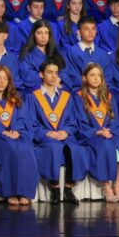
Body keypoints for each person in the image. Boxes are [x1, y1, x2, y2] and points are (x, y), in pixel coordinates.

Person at [25, 60, 90, 203]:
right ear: (41, 74)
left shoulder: (66, 96)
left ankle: (68, 189)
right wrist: (46, 133)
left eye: (56, 73)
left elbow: (72, 120)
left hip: (64, 135)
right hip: (45, 136)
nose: (53, 76)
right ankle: (54, 188)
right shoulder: (32, 97)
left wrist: (66, 132)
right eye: (49, 72)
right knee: (54, 147)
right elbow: (30, 122)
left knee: (74, 148)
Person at [0, 66, 38, 206]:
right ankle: (10, 192)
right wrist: (1, 131)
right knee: (9, 148)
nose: (2, 81)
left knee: (26, 148)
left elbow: (23, 118)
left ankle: (24, 192)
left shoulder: (15, 98)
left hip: (17, 134)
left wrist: (17, 131)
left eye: (5, 78)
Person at [76, 63, 119, 203]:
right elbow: (80, 121)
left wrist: (109, 130)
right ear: (84, 78)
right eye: (92, 75)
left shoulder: (108, 96)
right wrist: (97, 131)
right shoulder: (79, 97)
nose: (96, 78)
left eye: (99, 75)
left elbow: (116, 119)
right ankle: (106, 187)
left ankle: (117, 187)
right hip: (92, 135)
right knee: (106, 146)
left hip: (110, 133)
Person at [61, 16, 114, 93]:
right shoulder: (71, 52)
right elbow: (71, 76)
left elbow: (108, 77)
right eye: (86, 29)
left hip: (100, 93)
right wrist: (89, 88)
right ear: (79, 32)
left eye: (93, 29)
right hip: (79, 93)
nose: (91, 32)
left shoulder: (103, 54)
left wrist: (97, 90)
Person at [16, 20, 64, 95]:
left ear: (50, 35)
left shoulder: (57, 53)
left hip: (57, 88)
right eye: (39, 33)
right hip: (36, 92)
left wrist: (58, 79)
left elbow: (65, 72)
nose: (43, 36)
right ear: (33, 35)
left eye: (46, 33)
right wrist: (50, 83)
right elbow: (28, 77)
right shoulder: (26, 55)